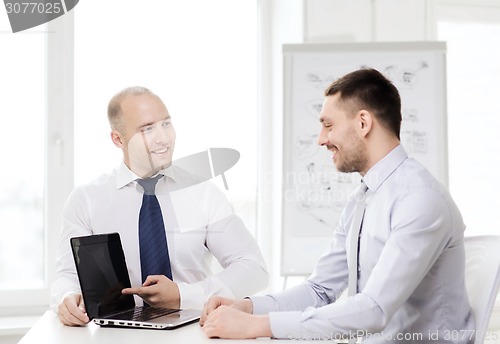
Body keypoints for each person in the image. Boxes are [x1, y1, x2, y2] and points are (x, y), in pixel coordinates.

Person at [200, 68, 475, 343]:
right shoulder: (362, 200)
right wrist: (247, 308)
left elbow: (374, 311)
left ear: (363, 123)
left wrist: (256, 326)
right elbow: (320, 290)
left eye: (328, 125)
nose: (321, 139)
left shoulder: (420, 199)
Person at [51, 86, 269, 326]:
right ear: (118, 139)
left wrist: (182, 295)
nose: (163, 138)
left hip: (194, 332)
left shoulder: (203, 193)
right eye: (147, 129)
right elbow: (68, 275)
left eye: (166, 124)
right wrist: (66, 298)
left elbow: (253, 268)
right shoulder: (87, 199)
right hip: (115, 335)